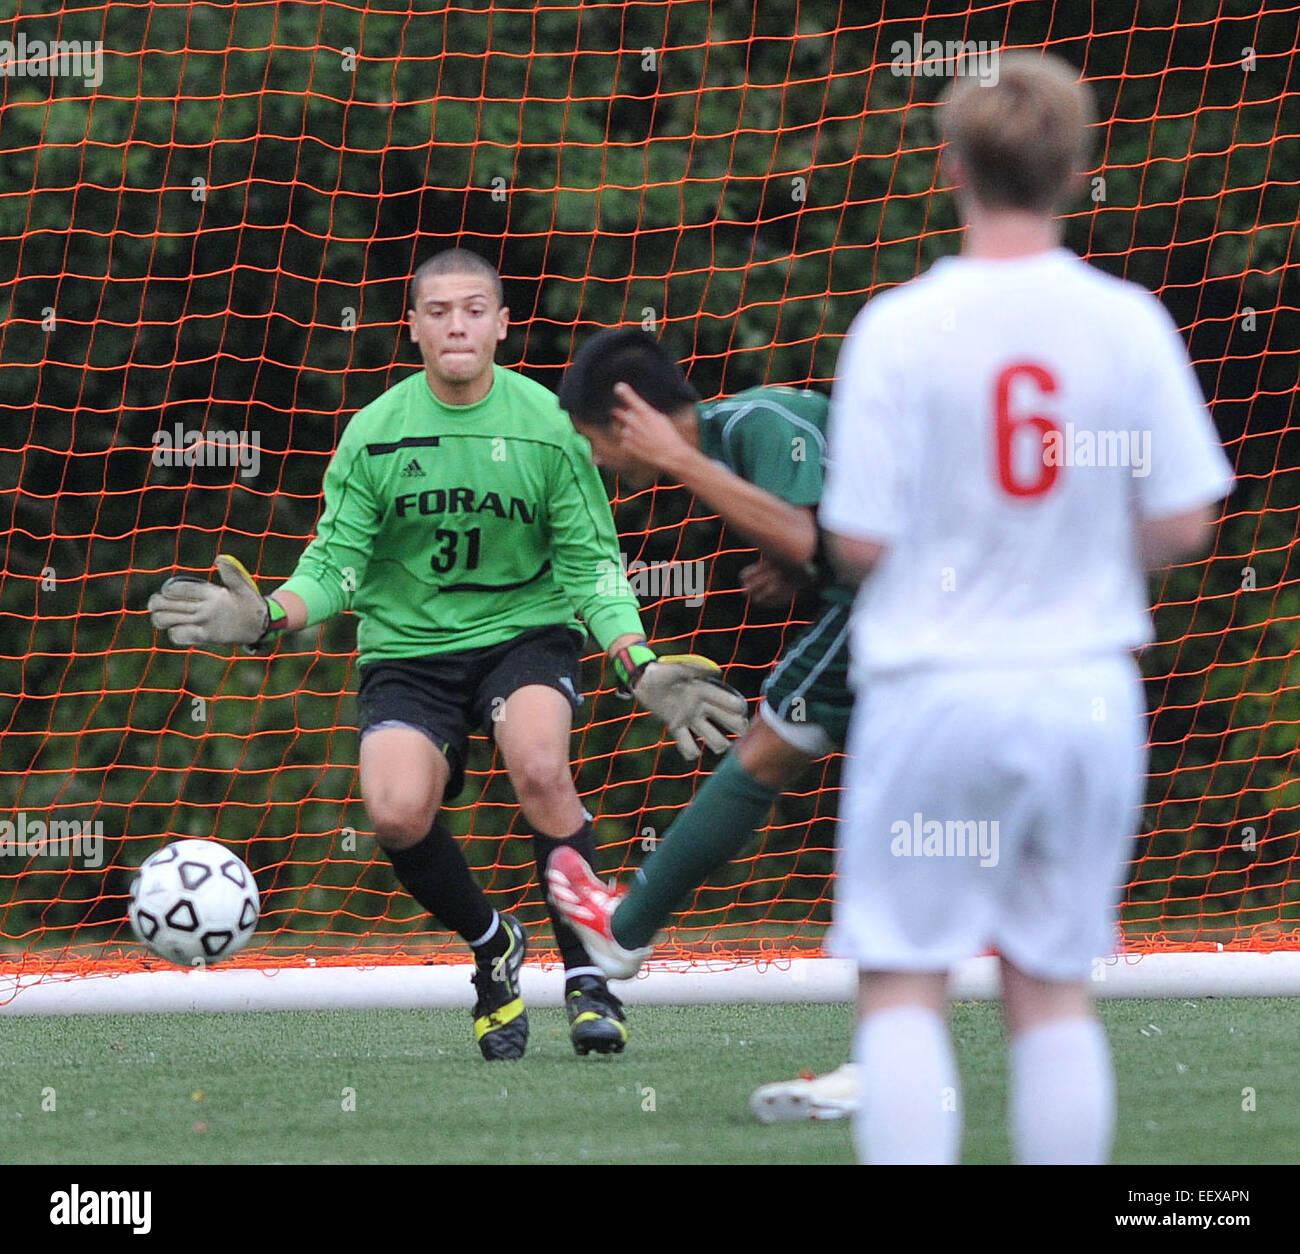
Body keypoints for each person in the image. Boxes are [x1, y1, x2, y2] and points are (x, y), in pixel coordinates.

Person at [147, 249, 746, 1061]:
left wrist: (637, 661)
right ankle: (492, 945)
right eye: (438, 311)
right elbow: (335, 566)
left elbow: (591, 568)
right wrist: (266, 617)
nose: (456, 324)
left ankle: (589, 974)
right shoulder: (376, 433)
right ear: (415, 328)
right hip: (408, 653)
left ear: (501, 325)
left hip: (524, 635)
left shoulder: (547, 427)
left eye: (473, 310)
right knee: (394, 814)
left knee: (540, 768)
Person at [819, 53, 1233, 1162]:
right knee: (1050, 990)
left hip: (933, 692)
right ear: (1074, 167)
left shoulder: (899, 327)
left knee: (903, 985)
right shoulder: (1128, 321)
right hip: (1083, 690)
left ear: (949, 164)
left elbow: (858, 541)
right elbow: (1188, 522)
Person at [543, 330, 857, 989]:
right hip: (922, 600)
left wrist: (796, 554)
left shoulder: (758, 421)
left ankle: (623, 930)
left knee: (772, 738)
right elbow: (820, 538)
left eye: (590, 437)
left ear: (628, 421)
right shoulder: (731, 441)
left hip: (897, 600)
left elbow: (804, 536)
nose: (594, 457)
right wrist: (794, 569)